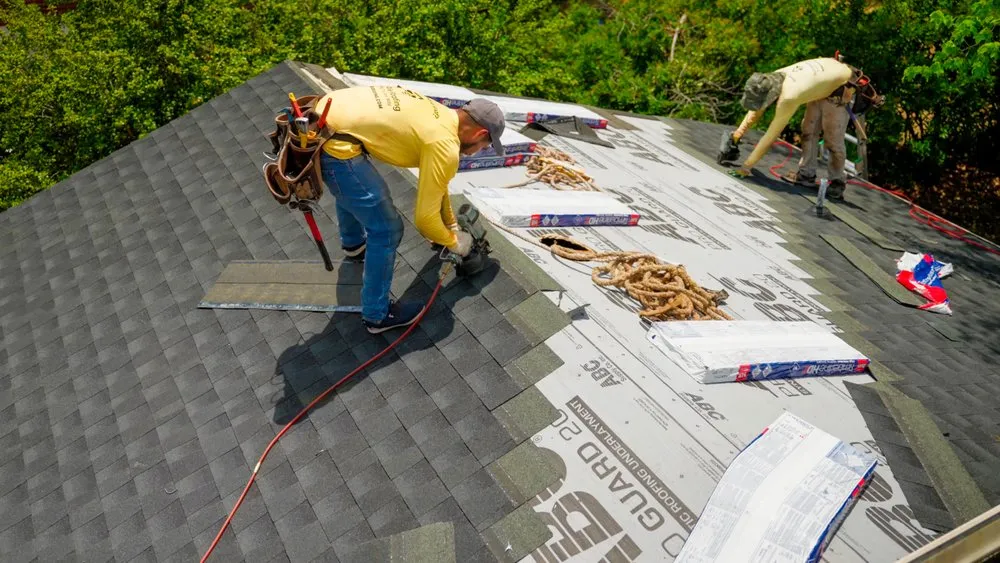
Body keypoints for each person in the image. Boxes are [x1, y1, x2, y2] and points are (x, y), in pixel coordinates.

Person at [314, 86, 505, 333]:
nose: (479, 151)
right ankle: (377, 316)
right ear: (480, 132)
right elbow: (425, 221)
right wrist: (456, 243)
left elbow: (438, 185)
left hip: (323, 116)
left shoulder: (440, 113)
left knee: (354, 189)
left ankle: (354, 244)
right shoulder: (444, 144)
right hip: (334, 142)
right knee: (387, 230)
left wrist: (452, 225)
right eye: (484, 145)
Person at [718, 56, 863, 200]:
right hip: (822, 84)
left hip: (841, 89)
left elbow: (771, 135)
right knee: (808, 132)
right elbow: (756, 110)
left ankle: (837, 182)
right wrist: (737, 135)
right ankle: (806, 175)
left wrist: (746, 167)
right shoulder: (772, 78)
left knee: (832, 140)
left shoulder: (789, 96)